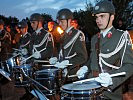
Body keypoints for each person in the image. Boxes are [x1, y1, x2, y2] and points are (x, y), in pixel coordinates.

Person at [77, 0, 133, 100]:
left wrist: (112, 79)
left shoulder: (121, 36)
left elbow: (129, 65)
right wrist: (85, 67)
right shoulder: (95, 38)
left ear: (112, 17)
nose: (98, 20)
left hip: (110, 92)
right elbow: (93, 59)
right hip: (91, 86)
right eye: (97, 17)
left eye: (102, 16)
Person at [49, 8, 88, 83]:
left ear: (69, 21)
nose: (59, 24)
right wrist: (57, 59)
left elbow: (83, 57)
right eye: (58, 21)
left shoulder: (77, 34)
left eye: (62, 21)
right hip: (63, 74)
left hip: (73, 75)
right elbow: (63, 52)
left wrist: (68, 62)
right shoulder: (63, 34)